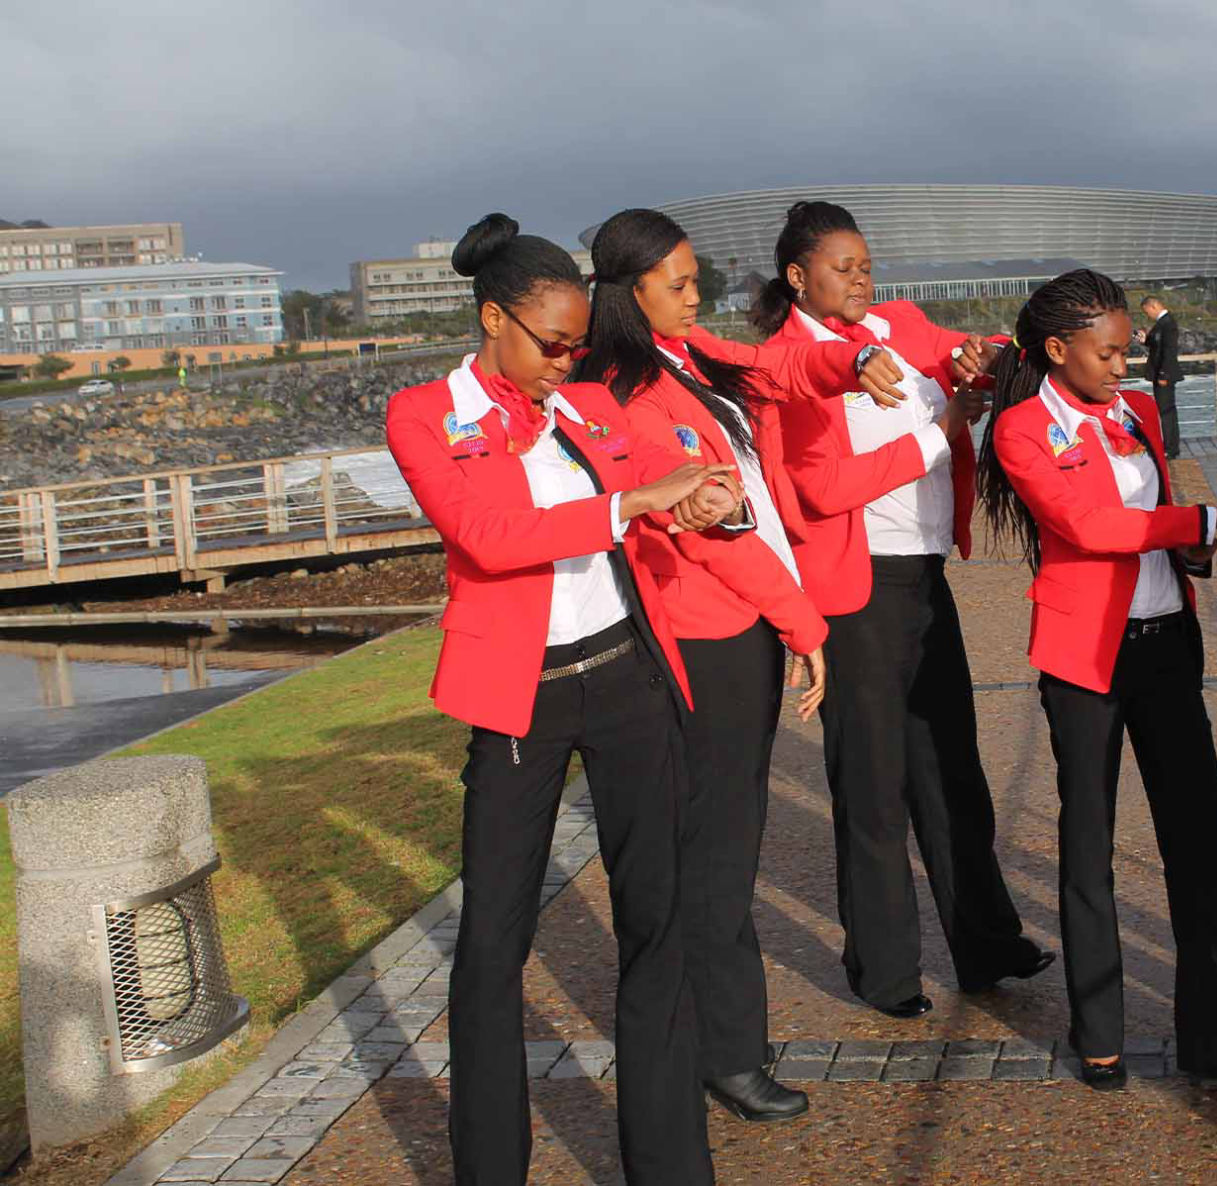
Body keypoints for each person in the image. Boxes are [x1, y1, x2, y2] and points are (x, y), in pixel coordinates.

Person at [385, 214, 747, 1185]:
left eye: (576, 345)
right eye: (551, 342)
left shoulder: (583, 406)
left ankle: (670, 1166)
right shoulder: (424, 414)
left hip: (628, 678)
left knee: (657, 925)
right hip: (522, 698)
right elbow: (488, 536)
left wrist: (702, 502)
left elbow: (656, 485)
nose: (564, 360)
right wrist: (629, 504)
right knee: (492, 942)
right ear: (492, 319)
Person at [568, 208, 896, 1123]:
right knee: (716, 849)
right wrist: (803, 623)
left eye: (695, 280)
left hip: (741, 628)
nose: (695, 296)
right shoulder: (625, 393)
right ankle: (727, 1051)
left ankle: (718, 1040)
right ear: (629, 292)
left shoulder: (685, 354)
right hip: (707, 637)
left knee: (726, 840)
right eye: (677, 285)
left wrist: (852, 360)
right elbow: (709, 532)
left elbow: (778, 367)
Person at [977, 267, 1217, 1094]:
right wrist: (1211, 516)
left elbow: (1153, 520)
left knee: (1201, 835)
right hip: (1084, 655)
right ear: (1058, 350)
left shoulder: (1139, 413)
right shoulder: (1020, 428)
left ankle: (1216, 1033)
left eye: (1128, 352)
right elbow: (1088, 526)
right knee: (1089, 841)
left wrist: (1197, 546)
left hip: (1165, 645)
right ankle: (1099, 1032)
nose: (1123, 367)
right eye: (1108, 353)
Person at [755, 199, 1053, 1019]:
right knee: (873, 785)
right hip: (855, 591)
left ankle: (987, 943)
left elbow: (981, 359)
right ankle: (885, 971)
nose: (861, 279)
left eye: (866, 265)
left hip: (923, 577)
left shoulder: (900, 325)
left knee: (952, 770)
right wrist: (941, 428)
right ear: (797, 277)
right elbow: (820, 488)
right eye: (842, 267)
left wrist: (978, 361)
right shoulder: (786, 365)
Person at [1139, 294, 1182, 457]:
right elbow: (1156, 343)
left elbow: (1169, 350)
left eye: (1147, 312)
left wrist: (1164, 374)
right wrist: (1145, 340)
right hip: (1160, 372)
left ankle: (1170, 448)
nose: (1147, 315)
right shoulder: (1162, 324)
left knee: (1167, 411)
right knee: (1165, 410)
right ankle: (1170, 446)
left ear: (1153, 306)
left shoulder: (1168, 324)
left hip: (1164, 374)